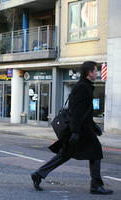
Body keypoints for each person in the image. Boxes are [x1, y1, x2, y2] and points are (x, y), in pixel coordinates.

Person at [31, 61, 113, 195]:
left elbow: (84, 112)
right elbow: (77, 112)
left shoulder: (85, 86)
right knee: (96, 152)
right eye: (95, 70)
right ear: (89, 73)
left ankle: (38, 174)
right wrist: (75, 132)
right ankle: (96, 186)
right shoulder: (82, 87)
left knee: (65, 154)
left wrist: (94, 126)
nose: (97, 73)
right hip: (81, 130)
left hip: (82, 129)